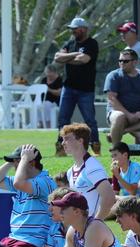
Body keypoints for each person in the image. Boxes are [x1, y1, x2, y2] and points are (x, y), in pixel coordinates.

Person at [0, 144, 56, 247]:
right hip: (13, 238)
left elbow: (18, 184)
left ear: (31, 162)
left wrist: (24, 160)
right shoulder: (23, 181)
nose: (15, 166)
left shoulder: (44, 182)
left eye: (17, 161)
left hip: (31, 242)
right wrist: (11, 162)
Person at [54, 18, 100, 156]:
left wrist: (66, 58)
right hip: (68, 88)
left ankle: (95, 146)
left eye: (75, 29)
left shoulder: (92, 43)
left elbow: (84, 60)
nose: (73, 31)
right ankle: (61, 148)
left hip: (86, 90)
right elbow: (57, 57)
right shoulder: (70, 43)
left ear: (83, 29)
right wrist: (74, 54)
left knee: (90, 120)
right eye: (72, 29)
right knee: (63, 119)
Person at [61, 123, 116, 219]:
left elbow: (109, 197)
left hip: (91, 228)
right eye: (63, 139)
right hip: (79, 228)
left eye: (67, 139)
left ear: (80, 141)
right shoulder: (71, 171)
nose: (63, 143)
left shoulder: (92, 167)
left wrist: (96, 222)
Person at [104, 49, 140, 145]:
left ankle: (125, 130)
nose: (122, 63)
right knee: (119, 117)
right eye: (120, 61)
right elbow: (112, 99)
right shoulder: (113, 75)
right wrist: (129, 115)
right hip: (119, 112)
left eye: (125, 61)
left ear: (135, 62)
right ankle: (116, 150)